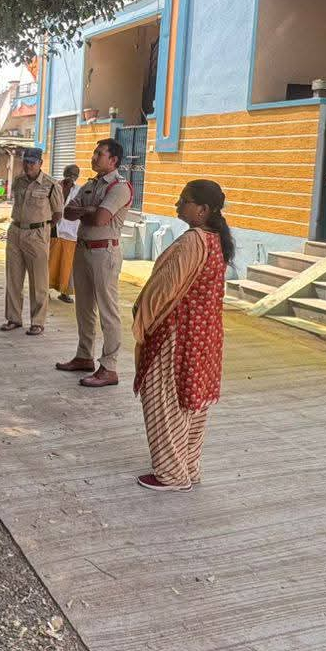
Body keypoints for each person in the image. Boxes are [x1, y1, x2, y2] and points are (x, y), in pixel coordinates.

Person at [131, 181, 231, 492]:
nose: (177, 205)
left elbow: (165, 289)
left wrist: (143, 318)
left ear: (203, 210)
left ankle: (171, 474)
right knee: (191, 402)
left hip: (178, 334)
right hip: (204, 335)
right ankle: (188, 466)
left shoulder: (193, 241)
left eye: (184, 200)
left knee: (164, 400)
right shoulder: (216, 239)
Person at [56, 139, 136, 388]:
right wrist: (89, 210)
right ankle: (84, 356)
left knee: (107, 311)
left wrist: (87, 211)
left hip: (104, 253)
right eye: (94, 153)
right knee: (84, 307)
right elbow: (67, 213)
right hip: (83, 249)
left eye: (99, 154)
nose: (93, 157)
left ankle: (109, 367)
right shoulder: (90, 185)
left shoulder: (119, 187)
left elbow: (101, 219)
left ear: (113, 160)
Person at [1, 148, 64, 335]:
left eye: (32, 162)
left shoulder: (51, 185)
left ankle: (37, 322)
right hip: (15, 231)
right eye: (25, 161)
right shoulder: (18, 181)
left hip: (37, 234)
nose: (28, 165)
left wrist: (43, 228)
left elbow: (58, 213)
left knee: (39, 281)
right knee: (13, 278)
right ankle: (13, 318)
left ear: (40, 163)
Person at [49, 165, 83, 304]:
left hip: (71, 232)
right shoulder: (54, 187)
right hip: (54, 229)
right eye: (69, 173)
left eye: (74, 174)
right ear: (64, 173)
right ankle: (44, 291)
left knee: (67, 265)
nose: (71, 176)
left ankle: (65, 293)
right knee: (49, 262)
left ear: (77, 176)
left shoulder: (80, 190)